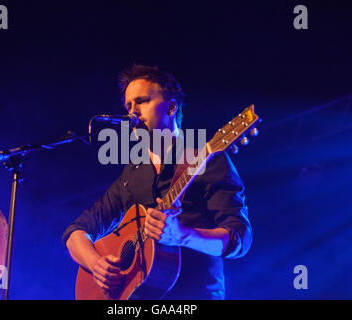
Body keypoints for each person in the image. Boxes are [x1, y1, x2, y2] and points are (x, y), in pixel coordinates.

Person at [62, 64, 252, 299]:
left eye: (141, 101)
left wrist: (183, 235)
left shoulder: (207, 160)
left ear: (171, 107)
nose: (133, 113)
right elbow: (76, 232)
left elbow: (239, 238)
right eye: (128, 106)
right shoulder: (133, 173)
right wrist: (96, 264)